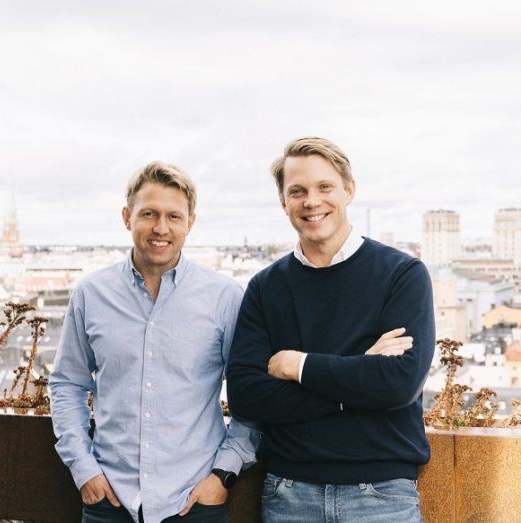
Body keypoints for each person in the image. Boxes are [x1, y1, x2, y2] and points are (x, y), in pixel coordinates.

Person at [226, 137, 434, 522]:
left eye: (325, 187)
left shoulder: (402, 274)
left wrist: (297, 366)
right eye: (297, 191)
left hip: (382, 495)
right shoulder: (264, 287)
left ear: (349, 190)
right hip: (289, 493)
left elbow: (398, 384)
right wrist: (356, 377)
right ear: (283, 202)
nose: (311, 201)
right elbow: (247, 397)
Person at [50, 161, 260, 523]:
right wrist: (84, 469)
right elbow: (67, 383)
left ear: (190, 222)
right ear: (127, 217)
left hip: (194, 501)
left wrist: (224, 473)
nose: (161, 228)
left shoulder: (224, 297)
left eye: (174, 217)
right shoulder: (91, 294)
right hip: (110, 500)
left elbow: (252, 394)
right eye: (149, 214)